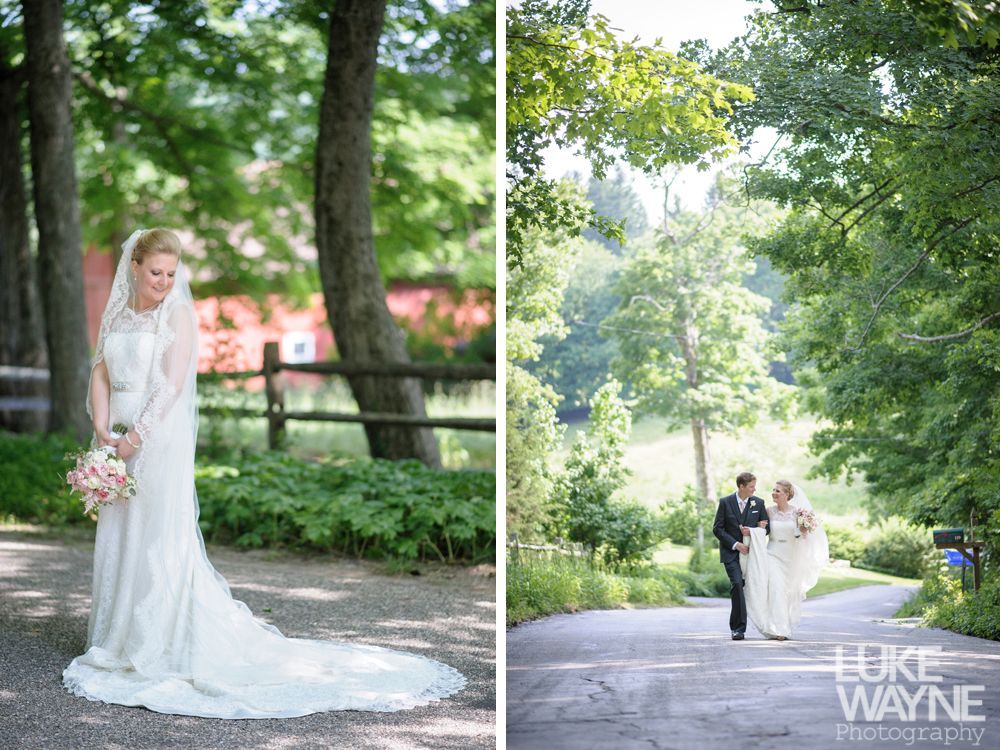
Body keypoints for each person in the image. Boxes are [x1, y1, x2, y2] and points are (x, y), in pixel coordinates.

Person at [63, 229, 465, 718]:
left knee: (153, 536)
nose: (164, 283)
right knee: (120, 531)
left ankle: (156, 637)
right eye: (155, 273)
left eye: (171, 274)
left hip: (153, 440)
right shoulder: (120, 314)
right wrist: (103, 429)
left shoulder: (178, 315)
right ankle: (116, 636)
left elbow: (169, 387)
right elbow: (101, 371)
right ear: (135, 266)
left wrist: (134, 440)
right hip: (113, 437)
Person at [742, 480, 829, 640]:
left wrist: (804, 530)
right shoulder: (768, 511)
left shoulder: (799, 513)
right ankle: (779, 629)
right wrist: (755, 529)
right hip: (772, 555)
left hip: (791, 558)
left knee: (787, 594)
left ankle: (781, 624)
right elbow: (762, 531)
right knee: (777, 590)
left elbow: (802, 537)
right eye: (773, 490)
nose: (774, 493)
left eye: (778, 491)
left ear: (787, 494)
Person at [712, 472, 769, 640]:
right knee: (737, 584)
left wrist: (756, 530)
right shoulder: (725, 502)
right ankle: (738, 628)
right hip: (731, 553)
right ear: (741, 486)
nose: (754, 489)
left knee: (751, 587)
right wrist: (736, 545)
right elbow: (717, 529)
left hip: (752, 555)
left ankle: (764, 620)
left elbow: (767, 528)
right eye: (751, 486)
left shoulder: (759, 503)